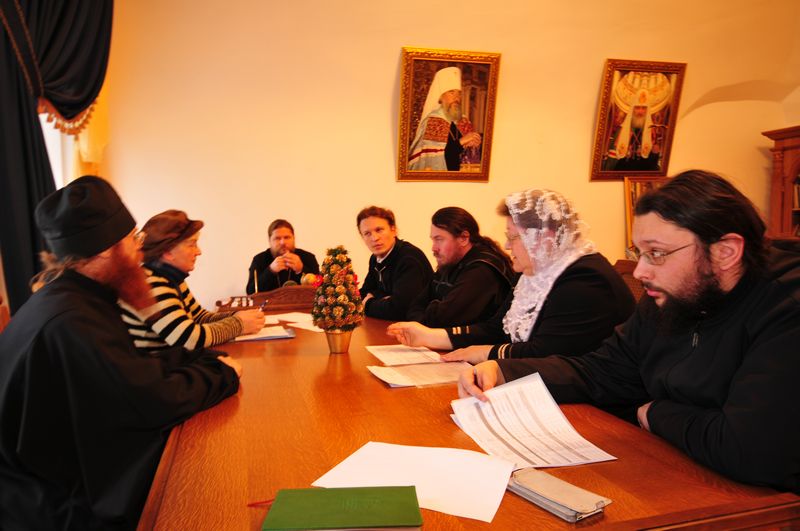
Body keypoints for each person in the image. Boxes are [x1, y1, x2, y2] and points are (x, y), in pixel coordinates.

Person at [459, 171, 800, 494]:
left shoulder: (786, 307)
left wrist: (653, 413)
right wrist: (503, 371)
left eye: (657, 253)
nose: (640, 271)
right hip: (675, 466)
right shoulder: (671, 294)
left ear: (724, 252)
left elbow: (750, 450)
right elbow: (602, 371)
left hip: (763, 502)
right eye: (640, 253)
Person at [0, 176, 242, 529]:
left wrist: (205, 360)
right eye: (132, 240)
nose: (139, 251)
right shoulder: (73, 320)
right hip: (51, 508)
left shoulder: (77, 299)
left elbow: (131, 368)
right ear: (103, 250)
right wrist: (223, 374)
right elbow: (150, 401)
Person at [390, 190, 635, 362]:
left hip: (601, 407)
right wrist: (430, 336)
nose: (507, 245)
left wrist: (483, 353)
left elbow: (546, 353)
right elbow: (496, 328)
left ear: (543, 237)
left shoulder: (586, 280)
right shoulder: (533, 271)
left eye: (513, 237)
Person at [120, 210, 264, 352]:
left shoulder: (170, 277)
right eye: (192, 244)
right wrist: (239, 324)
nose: (198, 251)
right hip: (159, 365)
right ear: (168, 252)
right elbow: (189, 339)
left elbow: (199, 317)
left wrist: (238, 315)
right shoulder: (150, 284)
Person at [406, 207, 517, 327]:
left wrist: (429, 309)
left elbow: (440, 321)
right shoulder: (450, 262)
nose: (434, 248)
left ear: (464, 238)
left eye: (439, 239)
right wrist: (431, 310)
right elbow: (414, 307)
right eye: (433, 240)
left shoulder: (482, 270)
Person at [357, 206, 433, 320]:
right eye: (367, 233)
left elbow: (400, 309)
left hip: (420, 327)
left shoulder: (409, 258)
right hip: (390, 325)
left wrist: (368, 304)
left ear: (394, 230)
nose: (374, 238)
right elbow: (364, 293)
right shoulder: (375, 258)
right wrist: (381, 298)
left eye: (379, 230)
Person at [407, 66, 482, 171]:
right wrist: (462, 141)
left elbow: (467, 157)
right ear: (440, 97)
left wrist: (473, 144)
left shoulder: (464, 121)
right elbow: (434, 159)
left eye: (459, 93)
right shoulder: (433, 121)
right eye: (451, 92)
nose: (457, 97)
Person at [602, 71, 672, 172]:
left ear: (647, 111)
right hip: (621, 170)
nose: (640, 111)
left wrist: (655, 153)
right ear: (632, 110)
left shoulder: (651, 132)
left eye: (643, 108)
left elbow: (653, 164)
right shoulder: (621, 130)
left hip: (643, 172)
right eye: (637, 108)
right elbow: (611, 160)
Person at [246, 219, 320, 294]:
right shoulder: (259, 259)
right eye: (277, 238)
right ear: (270, 241)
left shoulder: (308, 257)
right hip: (270, 302)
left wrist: (301, 269)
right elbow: (250, 292)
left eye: (287, 237)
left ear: (294, 238)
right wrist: (270, 271)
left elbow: (320, 288)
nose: (283, 242)